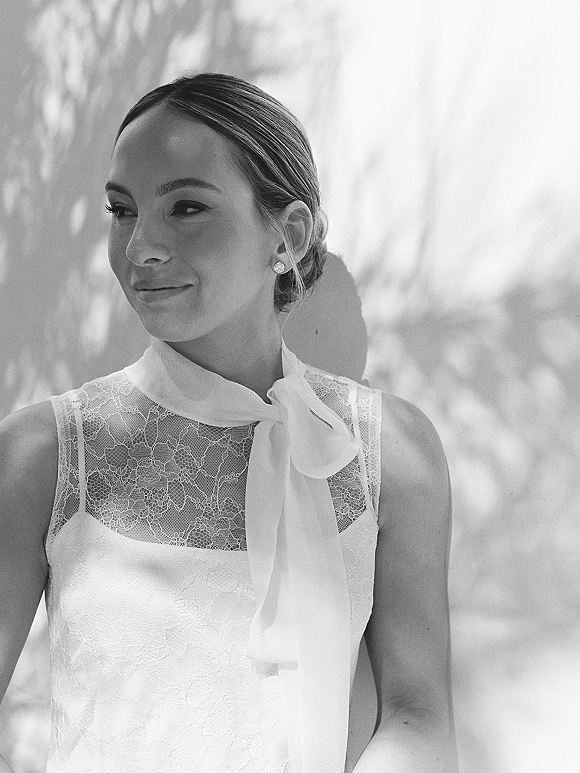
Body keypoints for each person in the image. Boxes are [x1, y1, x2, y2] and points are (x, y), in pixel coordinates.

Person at [0, 73, 457, 773]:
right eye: (122, 211)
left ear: (288, 235)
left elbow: (417, 712)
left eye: (185, 206)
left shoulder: (390, 451)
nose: (140, 247)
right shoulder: (45, 452)